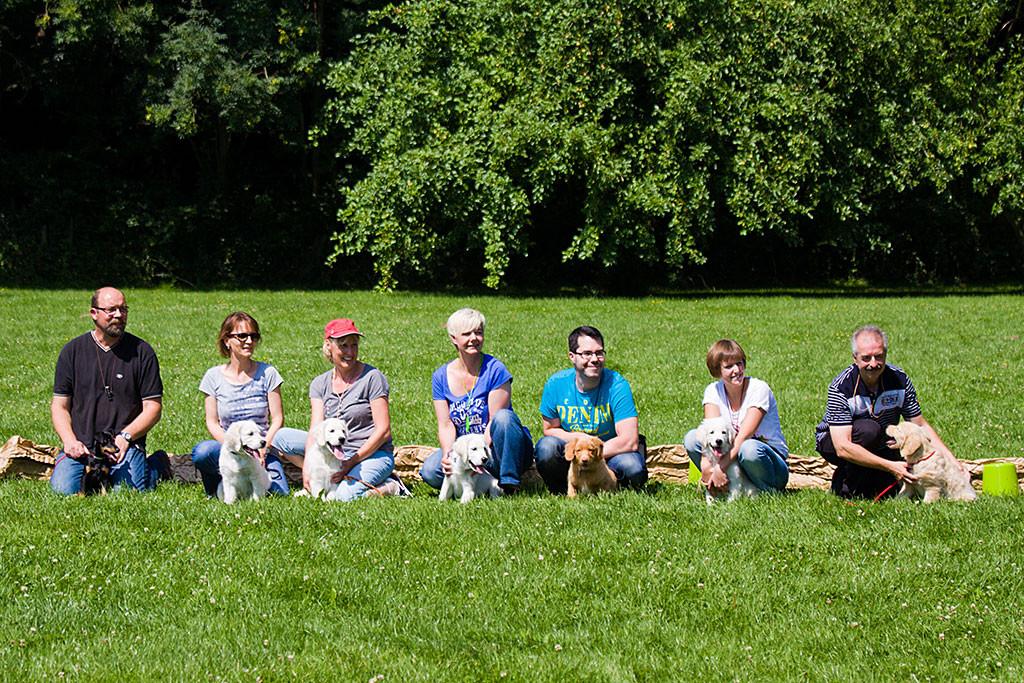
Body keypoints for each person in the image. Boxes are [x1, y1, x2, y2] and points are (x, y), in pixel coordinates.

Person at [50, 287, 168, 495]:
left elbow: (153, 408)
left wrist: (126, 437)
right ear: (93, 313)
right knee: (63, 490)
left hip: (125, 445)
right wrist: (69, 441)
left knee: (124, 493)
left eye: (123, 309)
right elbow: (59, 406)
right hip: (83, 447)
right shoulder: (73, 351)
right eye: (111, 310)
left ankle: (157, 465)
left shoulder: (142, 352)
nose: (119, 315)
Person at [815, 324, 956, 499]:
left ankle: (869, 475)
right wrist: (890, 466)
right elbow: (842, 447)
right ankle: (844, 484)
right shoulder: (841, 387)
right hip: (837, 442)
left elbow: (919, 425)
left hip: (881, 441)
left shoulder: (900, 379)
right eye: (866, 358)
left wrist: (952, 460)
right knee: (869, 430)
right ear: (855, 358)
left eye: (879, 357)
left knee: (890, 490)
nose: (873, 364)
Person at [275, 319, 408, 500]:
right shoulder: (319, 384)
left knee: (341, 498)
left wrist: (350, 463)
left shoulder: (372, 378)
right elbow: (315, 429)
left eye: (354, 345)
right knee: (281, 438)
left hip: (370, 453)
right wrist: (307, 468)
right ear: (329, 346)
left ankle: (391, 486)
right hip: (335, 449)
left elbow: (383, 431)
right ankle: (320, 476)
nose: (350, 352)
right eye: (343, 346)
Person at [420, 308, 534, 495]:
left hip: (496, 448)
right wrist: (450, 455)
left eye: (478, 332)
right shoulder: (440, 376)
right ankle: (481, 481)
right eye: (466, 334)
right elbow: (446, 424)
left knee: (505, 418)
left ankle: (508, 483)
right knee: (431, 471)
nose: (474, 338)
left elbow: (495, 419)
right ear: (453, 338)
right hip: (466, 450)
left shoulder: (496, 369)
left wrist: (478, 457)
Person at [535, 325, 647, 494]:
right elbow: (549, 429)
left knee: (634, 469)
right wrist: (578, 448)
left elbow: (630, 440)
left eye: (599, 353)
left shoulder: (617, 385)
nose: (594, 359)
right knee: (546, 448)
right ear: (572, 357)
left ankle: (607, 488)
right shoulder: (555, 384)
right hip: (575, 455)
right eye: (587, 354)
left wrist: (592, 455)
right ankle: (563, 489)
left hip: (611, 454)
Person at [191, 312, 291, 497]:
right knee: (203, 452)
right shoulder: (213, 377)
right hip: (230, 449)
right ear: (227, 340)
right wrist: (233, 446)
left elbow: (277, 419)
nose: (249, 341)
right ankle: (219, 486)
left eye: (254, 336)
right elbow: (212, 422)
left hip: (262, 449)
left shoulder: (268, 373)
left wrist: (262, 449)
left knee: (280, 494)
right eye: (242, 336)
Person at [683, 340, 789, 494]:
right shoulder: (713, 391)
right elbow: (708, 432)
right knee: (692, 438)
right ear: (717, 371)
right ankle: (724, 487)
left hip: (768, 464)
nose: (737, 370)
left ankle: (769, 492)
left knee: (749, 448)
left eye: (739, 364)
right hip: (735, 462)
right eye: (728, 367)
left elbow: (743, 437)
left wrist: (719, 468)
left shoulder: (759, 389)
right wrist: (706, 466)